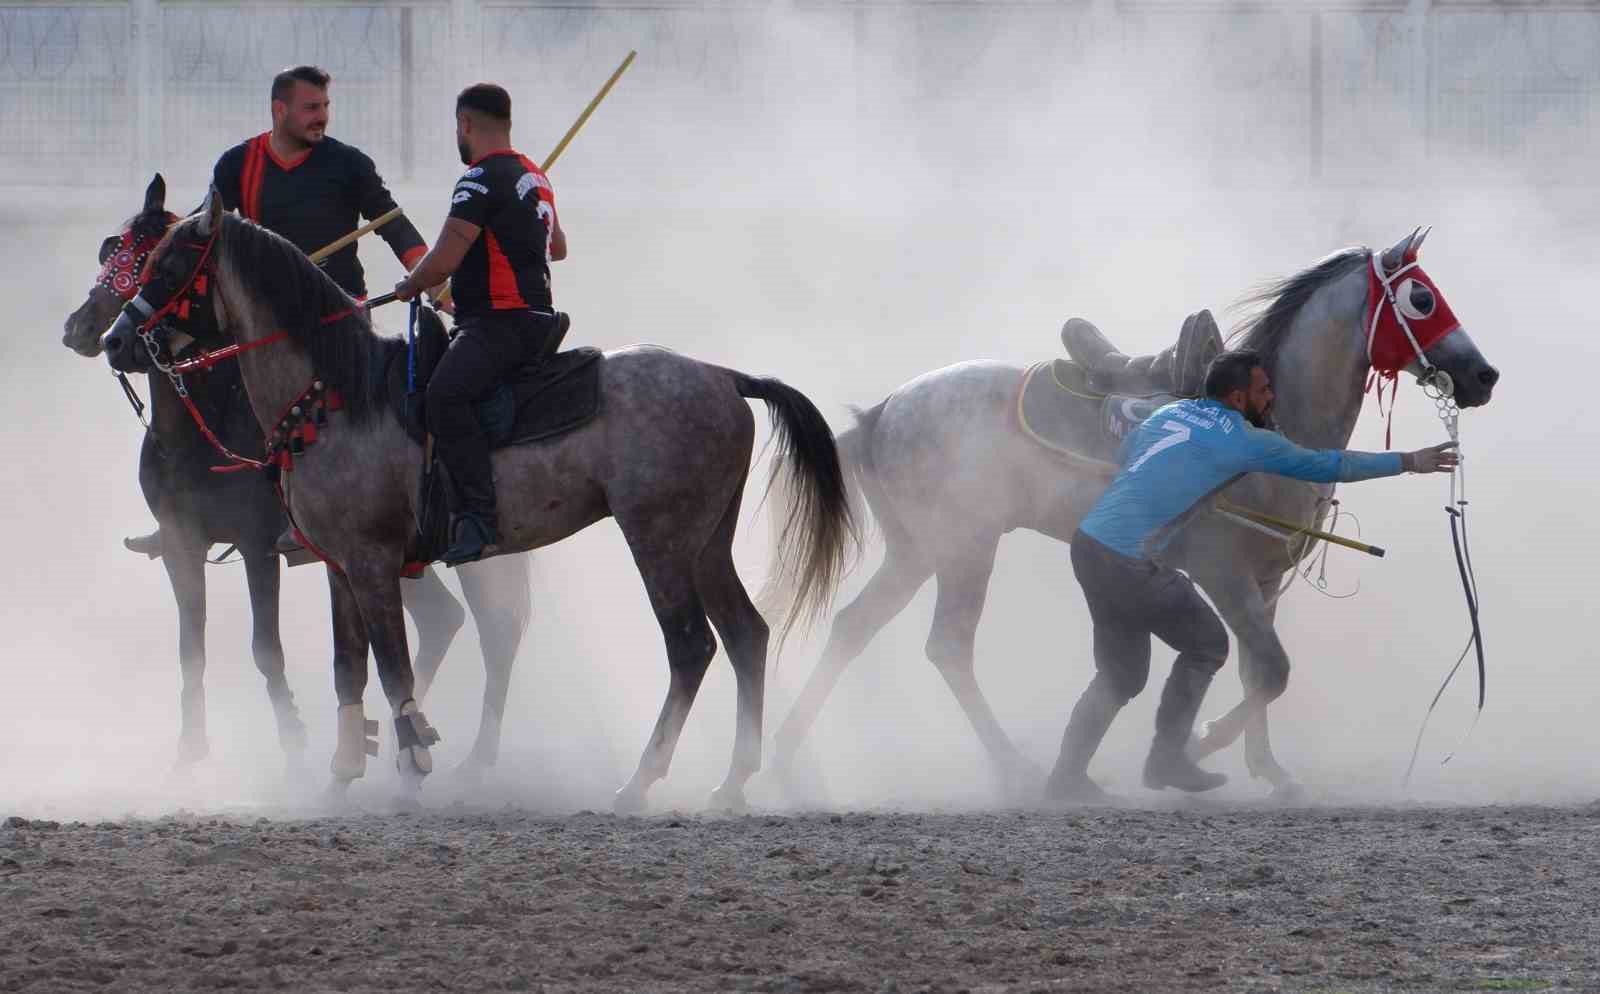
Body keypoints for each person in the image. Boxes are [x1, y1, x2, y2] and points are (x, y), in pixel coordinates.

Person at [1047, 349, 1459, 801]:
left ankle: (1065, 779)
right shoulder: (1244, 440)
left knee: (1121, 677)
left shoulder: (1171, 411)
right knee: (1207, 644)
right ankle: (1167, 758)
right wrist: (1408, 461)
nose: (1271, 399)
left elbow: (1131, 454)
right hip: (1127, 561)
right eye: (1263, 391)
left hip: (1089, 547)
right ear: (1239, 396)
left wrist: (1194, 487)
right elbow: (1328, 464)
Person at [125, 65, 430, 558]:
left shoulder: (349, 164)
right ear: (280, 110)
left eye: (326, 108)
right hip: (261, 327)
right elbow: (210, 239)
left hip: (338, 321)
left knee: (334, 415)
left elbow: (392, 223)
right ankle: (182, 513)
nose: (322, 118)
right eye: (312, 108)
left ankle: (322, 515)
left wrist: (432, 277)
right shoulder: (236, 165)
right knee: (199, 383)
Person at [394, 82, 567, 566]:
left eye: (457, 127)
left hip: (498, 321)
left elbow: (444, 260)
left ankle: (478, 518)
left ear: (465, 124)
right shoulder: (535, 176)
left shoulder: (477, 179)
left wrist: (411, 284)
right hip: (538, 319)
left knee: (443, 396)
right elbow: (558, 248)